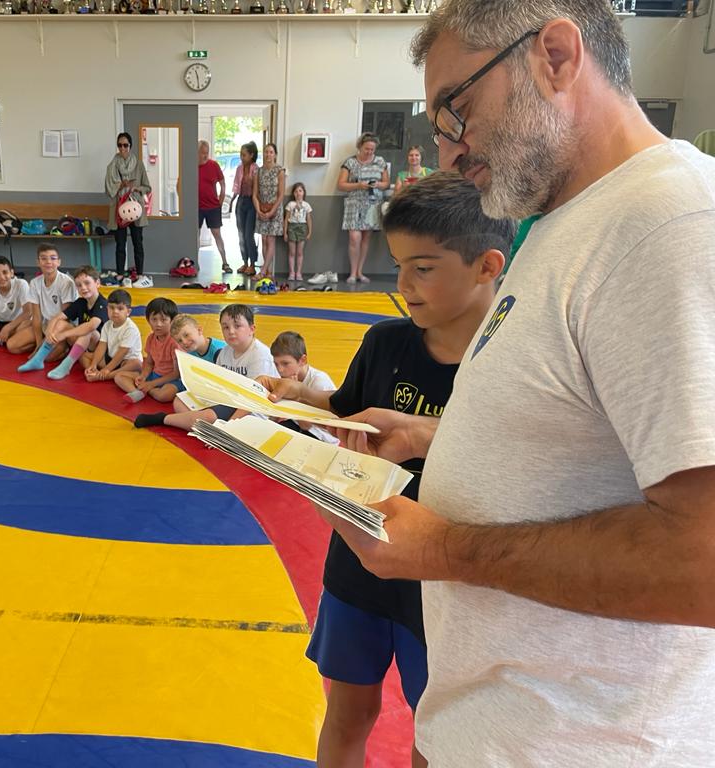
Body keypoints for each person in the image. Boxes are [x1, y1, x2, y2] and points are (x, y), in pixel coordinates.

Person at [319, 2, 715, 766]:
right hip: (495, 725)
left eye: (457, 110)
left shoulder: (667, 225)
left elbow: (704, 560)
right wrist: (429, 434)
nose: (448, 149)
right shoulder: (568, 221)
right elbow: (580, 440)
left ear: (555, 57)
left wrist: (444, 549)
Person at [263, 173, 513, 768]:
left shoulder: (512, 365)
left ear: (486, 266)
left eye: (422, 268)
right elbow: (346, 408)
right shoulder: (385, 343)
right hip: (359, 561)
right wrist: (293, 396)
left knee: (435, 733)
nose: (401, 285)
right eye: (397, 265)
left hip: (447, 582)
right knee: (347, 713)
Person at [134, 304, 276, 430]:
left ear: (252, 329)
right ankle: (200, 424)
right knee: (180, 401)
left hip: (253, 407)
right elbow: (218, 385)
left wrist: (227, 427)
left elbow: (253, 400)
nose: (231, 331)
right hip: (229, 398)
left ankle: (164, 419)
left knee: (207, 416)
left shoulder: (259, 356)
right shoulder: (225, 352)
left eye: (237, 326)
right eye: (226, 327)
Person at [18, 265, 107, 380]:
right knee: (60, 323)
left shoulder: (102, 304)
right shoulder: (81, 302)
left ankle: (66, 366)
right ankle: (38, 359)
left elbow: (91, 325)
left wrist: (64, 334)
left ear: (97, 283)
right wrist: (49, 332)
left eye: (87, 283)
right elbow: (57, 318)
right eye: (79, 285)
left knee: (89, 331)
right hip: (82, 345)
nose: (83, 288)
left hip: (99, 348)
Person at [9, 244, 78, 360]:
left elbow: (65, 317)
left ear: (59, 262)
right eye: (44, 258)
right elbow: (36, 317)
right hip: (46, 325)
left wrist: (44, 343)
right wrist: (38, 343)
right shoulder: (35, 283)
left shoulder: (66, 282)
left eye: (53, 258)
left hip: (62, 326)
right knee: (12, 346)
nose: (48, 262)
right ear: (38, 262)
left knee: (47, 358)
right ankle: (42, 346)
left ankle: (64, 346)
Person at [338, 133, 390, 284]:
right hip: (354, 203)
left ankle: (360, 272)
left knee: (366, 238)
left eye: (372, 149)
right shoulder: (350, 162)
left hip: (373, 203)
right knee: (354, 238)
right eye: (367, 149)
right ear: (360, 147)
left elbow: (386, 183)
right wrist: (358, 185)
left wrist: (378, 184)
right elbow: (341, 184)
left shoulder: (380, 162)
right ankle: (352, 273)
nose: (369, 152)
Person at [105, 131, 151, 284]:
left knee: (138, 242)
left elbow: (147, 187)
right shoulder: (112, 166)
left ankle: (140, 274)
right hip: (119, 209)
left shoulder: (139, 164)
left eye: (125, 145)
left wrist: (136, 188)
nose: (122, 148)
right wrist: (121, 185)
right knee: (120, 243)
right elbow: (108, 190)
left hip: (136, 209)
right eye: (120, 145)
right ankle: (120, 273)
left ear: (130, 146)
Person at [115, 297, 180, 403]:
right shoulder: (151, 338)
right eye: (154, 319)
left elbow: (176, 373)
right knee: (119, 376)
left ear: (172, 321)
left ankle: (144, 391)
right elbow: (149, 363)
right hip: (154, 375)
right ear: (148, 320)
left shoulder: (175, 342)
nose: (158, 324)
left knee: (164, 395)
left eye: (163, 320)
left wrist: (151, 384)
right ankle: (138, 392)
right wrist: (143, 376)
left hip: (171, 379)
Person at [84, 289, 143, 383]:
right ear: (107, 308)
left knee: (137, 364)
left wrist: (107, 369)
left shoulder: (130, 328)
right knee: (83, 356)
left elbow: (122, 353)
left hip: (125, 361)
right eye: (111, 307)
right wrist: (93, 364)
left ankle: (104, 376)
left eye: (120, 309)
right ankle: (94, 372)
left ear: (128, 312)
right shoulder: (107, 325)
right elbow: (101, 346)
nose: (115, 311)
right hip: (111, 359)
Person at [198, 140, 232, 275]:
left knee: (217, 234)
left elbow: (223, 183)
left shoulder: (214, 165)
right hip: (197, 207)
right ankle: (194, 263)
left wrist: (221, 199)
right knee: (195, 235)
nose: (205, 156)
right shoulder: (191, 165)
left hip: (213, 206)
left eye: (207, 153)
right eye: (203, 153)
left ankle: (225, 262)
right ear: (197, 153)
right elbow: (180, 183)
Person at [253, 143, 285, 280]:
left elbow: (281, 194)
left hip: (275, 209)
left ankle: (263, 271)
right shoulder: (258, 172)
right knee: (264, 239)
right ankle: (268, 271)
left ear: (275, 155)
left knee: (270, 239)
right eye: (266, 152)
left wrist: (272, 211)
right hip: (262, 208)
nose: (268, 155)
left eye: (271, 152)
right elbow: (254, 194)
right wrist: (258, 210)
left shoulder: (280, 171)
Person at [233, 141, 261, 277]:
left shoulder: (256, 169)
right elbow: (236, 186)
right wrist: (232, 201)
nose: (241, 157)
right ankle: (244, 262)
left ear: (251, 155)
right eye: (240, 154)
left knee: (249, 235)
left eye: (244, 155)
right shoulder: (239, 168)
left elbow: (257, 189)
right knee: (241, 234)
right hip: (241, 201)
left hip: (251, 202)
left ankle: (252, 264)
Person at [282, 183, 313, 282]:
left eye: (300, 191)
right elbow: (286, 219)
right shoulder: (290, 204)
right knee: (292, 252)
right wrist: (285, 232)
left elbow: (309, 219)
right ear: (293, 194)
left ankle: (298, 272)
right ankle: (291, 272)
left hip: (302, 228)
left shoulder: (306, 205)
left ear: (304, 193)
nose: (298, 193)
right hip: (292, 228)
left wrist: (309, 232)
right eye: (296, 191)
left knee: (300, 253)